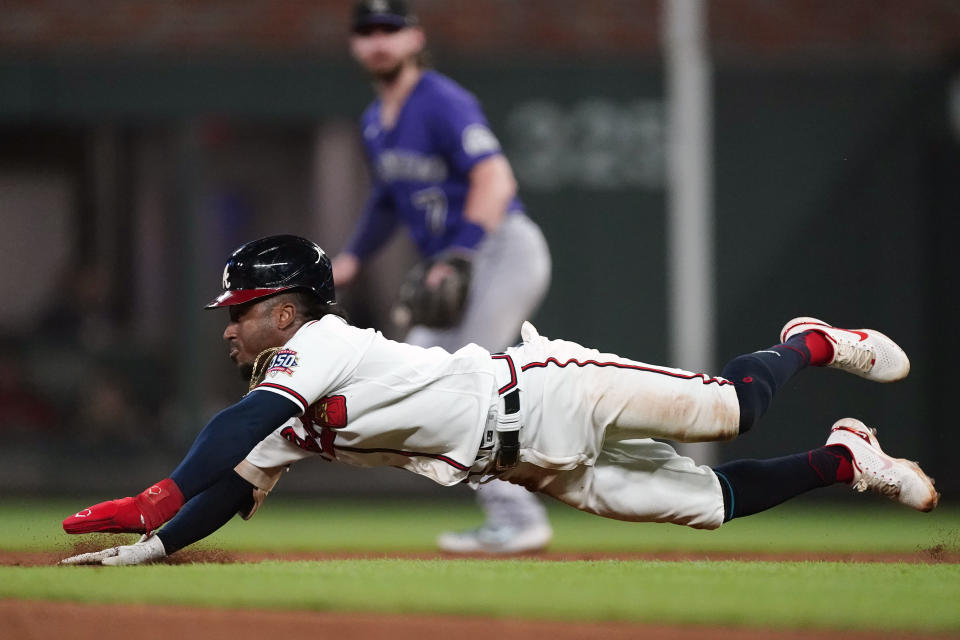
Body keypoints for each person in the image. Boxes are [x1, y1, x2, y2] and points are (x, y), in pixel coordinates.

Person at [60, 234, 938, 566]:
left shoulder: (315, 346)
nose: (228, 327)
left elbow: (235, 427)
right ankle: (843, 458)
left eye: (240, 311)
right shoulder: (283, 391)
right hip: (527, 467)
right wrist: (159, 543)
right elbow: (235, 481)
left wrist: (156, 495)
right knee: (709, 505)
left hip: (554, 393)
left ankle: (808, 343)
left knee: (733, 411)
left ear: (285, 310)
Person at [331, 0, 553, 553]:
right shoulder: (373, 122)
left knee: (462, 383)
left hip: (500, 250)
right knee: (417, 381)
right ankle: (514, 502)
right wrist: (350, 260)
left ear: (414, 39)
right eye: (367, 31)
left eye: (390, 30)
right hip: (455, 263)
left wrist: (460, 255)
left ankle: (518, 513)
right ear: (355, 44)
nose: (378, 40)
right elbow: (386, 203)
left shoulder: (442, 101)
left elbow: (496, 179)